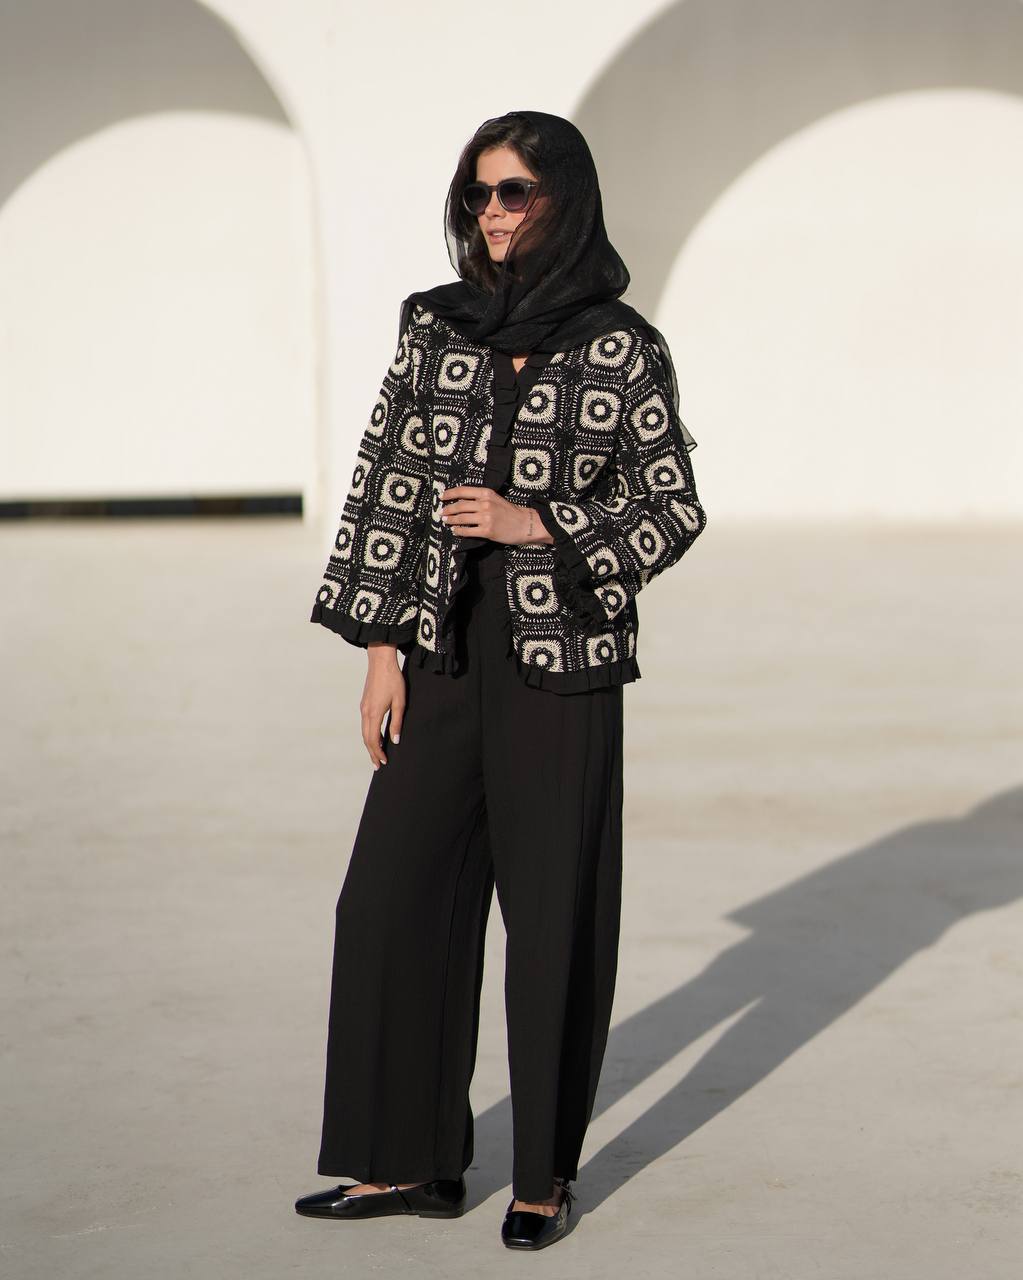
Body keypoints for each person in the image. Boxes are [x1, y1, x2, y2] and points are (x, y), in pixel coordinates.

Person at [295, 109, 707, 1251]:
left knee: (552, 919)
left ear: (564, 199)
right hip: (438, 651)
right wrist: (380, 654)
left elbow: (671, 504)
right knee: (389, 901)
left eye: (515, 192)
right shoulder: (436, 327)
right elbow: (383, 481)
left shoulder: (620, 346)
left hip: (561, 667)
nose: (492, 213)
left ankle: (541, 1177)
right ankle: (405, 1162)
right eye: (477, 193)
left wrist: (539, 523)